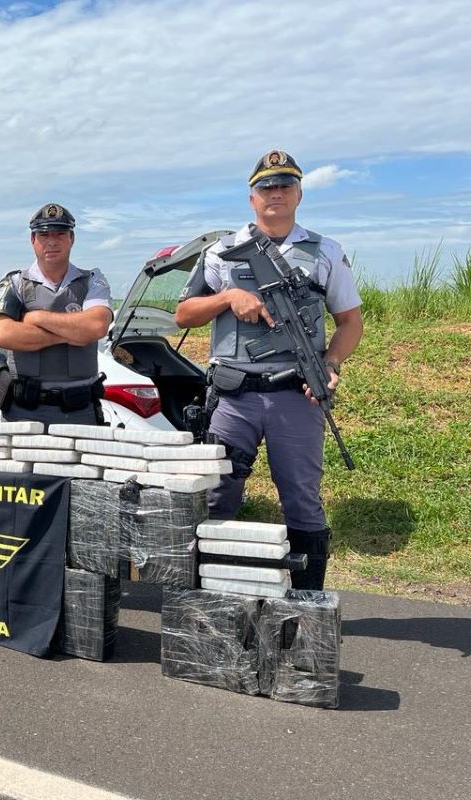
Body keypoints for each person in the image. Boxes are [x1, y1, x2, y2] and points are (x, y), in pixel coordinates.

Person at [174, 150, 364, 591]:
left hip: (295, 396)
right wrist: (226, 299)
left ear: (298, 193)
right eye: (265, 187)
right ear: (251, 197)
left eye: (284, 186)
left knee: (301, 500)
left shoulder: (325, 252)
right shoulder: (221, 252)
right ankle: (213, 601)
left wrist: (330, 364)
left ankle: (306, 604)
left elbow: (350, 322)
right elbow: (184, 314)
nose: (274, 193)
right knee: (217, 495)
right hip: (233, 397)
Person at [0, 202, 114, 426]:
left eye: (60, 234)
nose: (52, 241)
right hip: (23, 411)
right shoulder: (14, 284)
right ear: (33, 240)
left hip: (79, 411)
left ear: (71, 239)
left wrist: (36, 318)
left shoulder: (92, 280)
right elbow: (3, 335)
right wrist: (74, 333)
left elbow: (96, 327)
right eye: (44, 235)